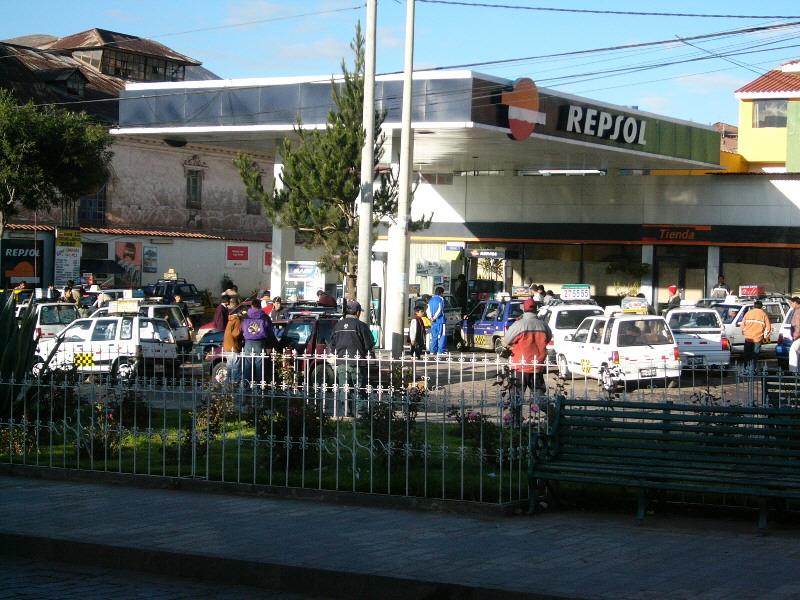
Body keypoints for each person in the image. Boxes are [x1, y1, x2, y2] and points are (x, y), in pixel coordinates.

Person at [501, 298, 552, 425]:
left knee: (516, 397)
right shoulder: (543, 325)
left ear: (524, 309)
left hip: (520, 366)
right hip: (536, 366)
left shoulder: (519, 324)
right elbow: (548, 338)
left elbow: (506, 341)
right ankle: (554, 415)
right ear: (536, 310)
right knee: (539, 396)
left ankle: (515, 422)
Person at [330, 300, 375, 416]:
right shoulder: (361, 326)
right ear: (358, 312)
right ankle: (361, 416)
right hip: (357, 364)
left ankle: (346, 415)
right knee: (360, 391)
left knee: (344, 391)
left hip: (341, 363)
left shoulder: (338, 325)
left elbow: (332, 346)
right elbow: (369, 345)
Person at [741, 300, 771, 372]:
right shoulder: (763, 314)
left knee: (747, 354)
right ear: (761, 307)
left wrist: (745, 333)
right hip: (758, 338)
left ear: (754, 306)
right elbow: (768, 328)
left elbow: (742, 325)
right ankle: (753, 369)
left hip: (748, 338)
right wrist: (765, 336)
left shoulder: (748, 313)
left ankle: (746, 368)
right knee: (755, 355)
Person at [223, 305, 244, 383]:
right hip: (233, 346)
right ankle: (235, 383)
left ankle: (227, 383)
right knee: (236, 367)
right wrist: (242, 333)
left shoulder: (231, 319)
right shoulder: (237, 320)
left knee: (229, 367)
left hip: (227, 346)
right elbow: (235, 334)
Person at [426, 286, 447, 355]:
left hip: (433, 322)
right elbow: (440, 310)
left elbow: (428, 310)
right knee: (442, 335)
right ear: (441, 293)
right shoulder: (441, 299)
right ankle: (441, 351)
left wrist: (430, 318)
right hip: (440, 320)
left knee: (434, 336)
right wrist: (435, 317)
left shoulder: (431, 300)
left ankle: (432, 350)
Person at [789, 297, 800, 373]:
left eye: (791, 303)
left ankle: (793, 372)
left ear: (796, 303)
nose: (791, 305)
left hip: (798, 337)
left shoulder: (798, 312)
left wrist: (795, 336)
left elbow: (798, 325)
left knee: (793, 351)